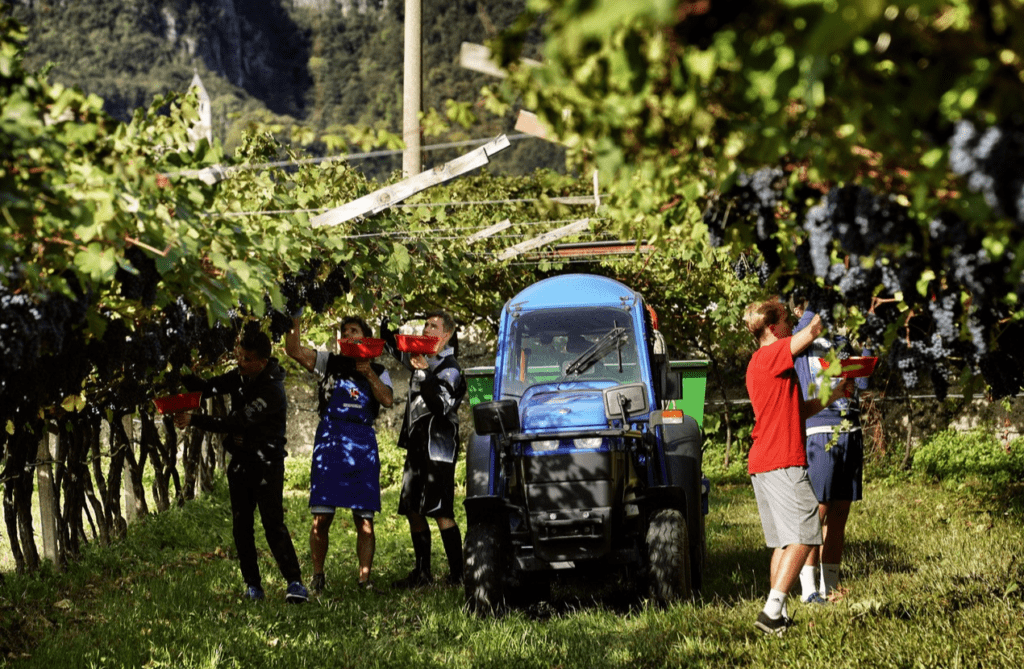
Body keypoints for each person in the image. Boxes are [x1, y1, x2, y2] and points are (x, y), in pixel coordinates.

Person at [742, 298, 852, 635]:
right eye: (788, 322)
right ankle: (771, 611)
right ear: (773, 328)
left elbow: (795, 411)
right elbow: (815, 328)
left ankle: (778, 612)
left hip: (763, 460)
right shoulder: (773, 354)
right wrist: (827, 293)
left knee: (784, 542)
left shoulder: (760, 364)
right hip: (781, 460)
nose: (793, 327)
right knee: (806, 534)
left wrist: (832, 397)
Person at [173, 328, 308, 603]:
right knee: (241, 526)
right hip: (241, 462)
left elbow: (238, 422)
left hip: (267, 463)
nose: (240, 362)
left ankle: (295, 583)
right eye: (239, 356)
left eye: (247, 359)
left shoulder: (272, 390)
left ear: (262, 361)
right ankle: (253, 586)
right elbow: (206, 388)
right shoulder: (240, 377)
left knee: (273, 524)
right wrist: (178, 364)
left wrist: (194, 420)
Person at [285, 313, 393, 593]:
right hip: (331, 443)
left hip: (362, 444)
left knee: (365, 520)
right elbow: (294, 350)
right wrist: (292, 318)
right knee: (321, 518)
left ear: (366, 338)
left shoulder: (380, 370)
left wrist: (367, 371)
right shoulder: (328, 363)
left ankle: (364, 580)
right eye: (344, 331)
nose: (348, 335)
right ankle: (318, 576)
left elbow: (388, 399)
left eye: (354, 330)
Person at [380, 310, 467, 588]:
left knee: (441, 511)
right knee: (412, 510)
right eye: (425, 325)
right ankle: (422, 574)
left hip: (438, 448)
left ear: (447, 334)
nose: (427, 330)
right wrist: (386, 317)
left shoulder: (451, 369)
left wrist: (425, 371)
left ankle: (458, 576)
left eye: (434, 326)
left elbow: (441, 407)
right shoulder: (421, 358)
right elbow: (392, 345)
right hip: (416, 447)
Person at [792, 305, 870, 603]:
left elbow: (862, 383)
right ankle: (809, 590)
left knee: (839, 512)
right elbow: (807, 325)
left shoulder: (840, 342)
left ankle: (831, 587)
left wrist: (869, 341)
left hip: (850, 429)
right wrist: (812, 307)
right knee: (818, 512)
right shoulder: (801, 340)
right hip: (819, 430)